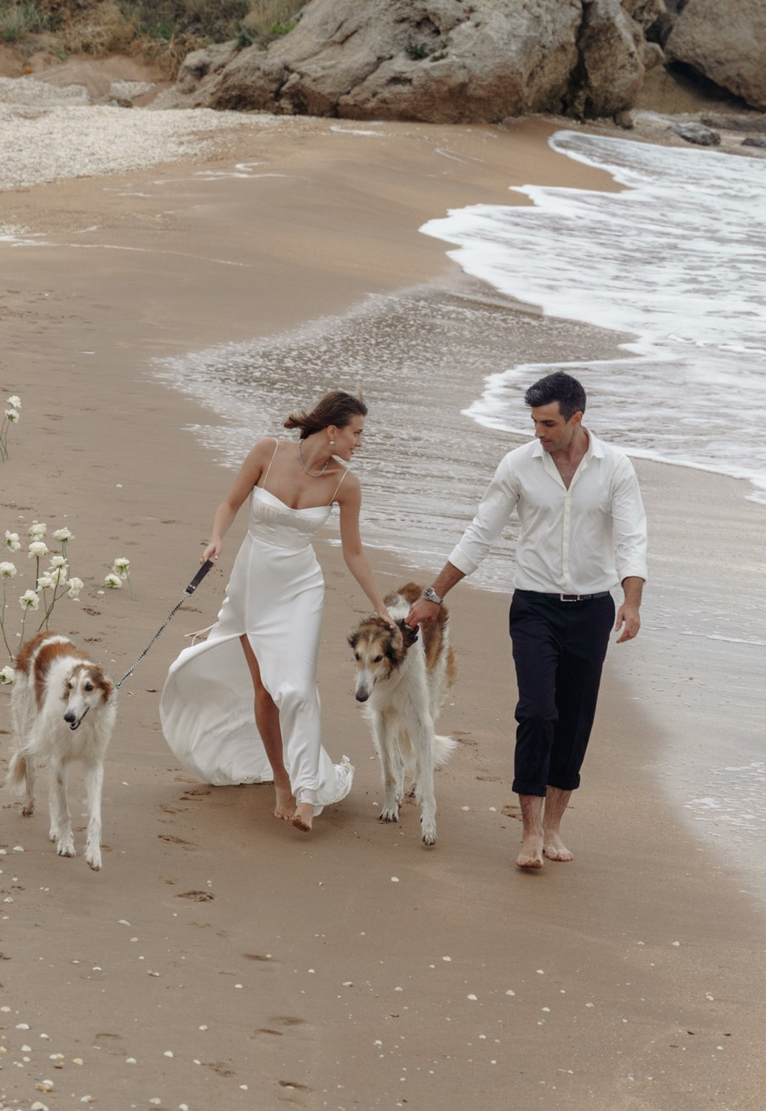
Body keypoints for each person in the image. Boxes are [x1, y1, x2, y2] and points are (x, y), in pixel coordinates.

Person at [408, 372, 647, 871]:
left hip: (592, 609)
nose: (538, 432)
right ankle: (530, 830)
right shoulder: (518, 464)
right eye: (534, 422)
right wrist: (434, 594)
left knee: (574, 721)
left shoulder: (615, 468)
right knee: (537, 712)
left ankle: (554, 825)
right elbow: (481, 532)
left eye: (548, 423)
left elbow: (631, 539)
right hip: (534, 606)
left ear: (576, 418)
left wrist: (632, 601)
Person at [161, 392, 397, 832]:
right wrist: (216, 538)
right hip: (252, 585)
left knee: (299, 689)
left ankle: (307, 794)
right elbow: (230, 504)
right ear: (333, 431)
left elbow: (354, 552)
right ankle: (282, 782)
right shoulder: (267, 452)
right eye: (357, 433)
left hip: (300, 590)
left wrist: (380, 606)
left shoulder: (346, 484)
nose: (360, 443)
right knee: (266, 692)